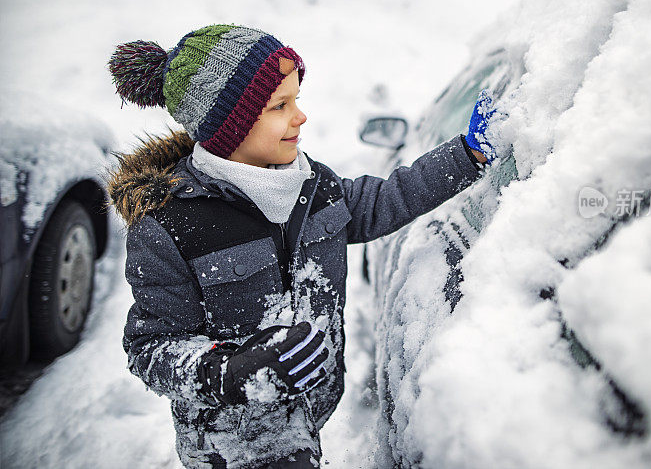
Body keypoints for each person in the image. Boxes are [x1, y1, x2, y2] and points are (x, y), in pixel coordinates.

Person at [105, 24, 503, 469]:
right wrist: (228, 372)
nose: (300, 116)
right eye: (280, 105)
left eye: (296, 99)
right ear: (228, 128)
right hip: (232, 444)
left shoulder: (313, 186)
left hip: (311, 412)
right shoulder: (170, 224)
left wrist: (468, 155)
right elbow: (152, 347)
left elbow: (388, 199)